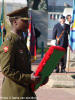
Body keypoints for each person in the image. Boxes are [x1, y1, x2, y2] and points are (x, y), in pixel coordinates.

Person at [0, 7, 41, 100]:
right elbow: (6, 70)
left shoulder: (20, 40)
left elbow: (23, 67)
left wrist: (36, 76)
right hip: (14, 92)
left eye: (28, 21)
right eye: (25, 21)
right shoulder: (10, 42)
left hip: (25, 91)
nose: (28, 24)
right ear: (15, 22)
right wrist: (29, 78)